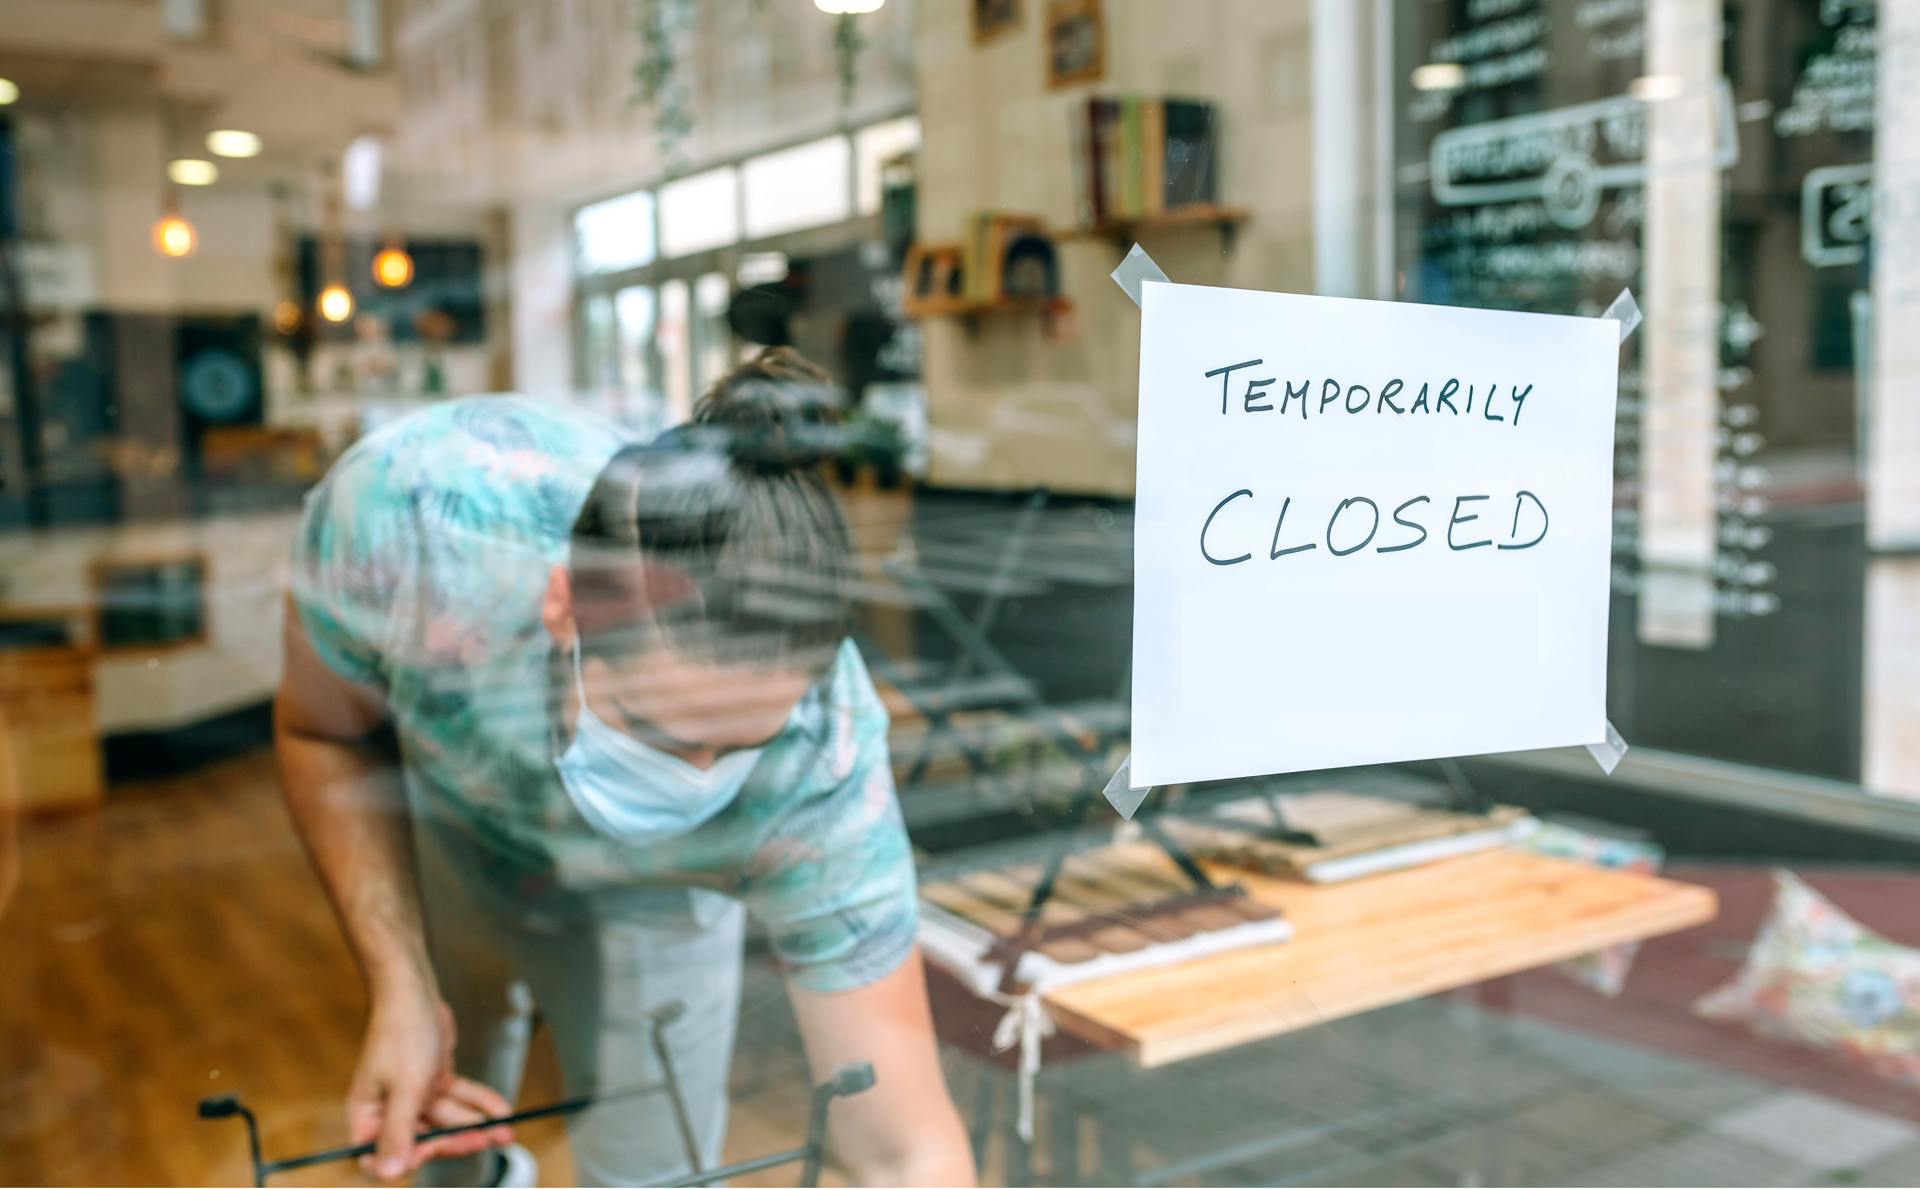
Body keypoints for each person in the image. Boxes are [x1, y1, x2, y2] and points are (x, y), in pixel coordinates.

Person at [275, 348, 974, 1186]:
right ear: (562, 605)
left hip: (661, 904)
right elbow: (323, 734)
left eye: (739, 748)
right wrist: (397, 979)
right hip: (457, 843)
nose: (695, 777)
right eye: (651, 727)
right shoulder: (417, 517)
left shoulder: (824, 763)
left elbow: (903, 1151)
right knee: (440, 1155)